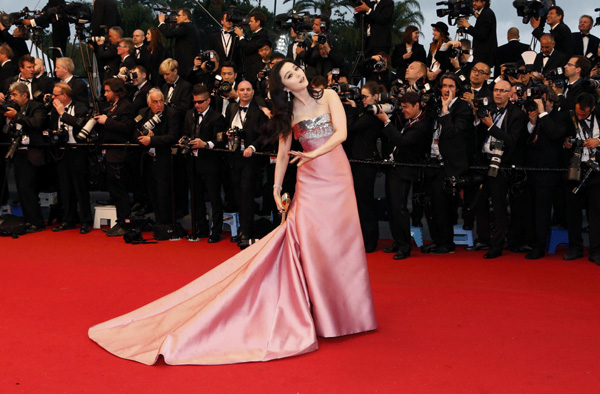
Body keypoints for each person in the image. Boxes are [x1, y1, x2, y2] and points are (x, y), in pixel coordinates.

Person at [88, 59, 377, 365]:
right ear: (284, 86)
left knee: (342, 243)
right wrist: (277, 189)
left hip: (336, 174)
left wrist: (312, 153)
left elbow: (342, 134)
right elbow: (281, 153)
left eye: (298, 70)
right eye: (290, 75)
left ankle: (350, 313)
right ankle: (323, 315)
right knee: (313, 244)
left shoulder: (328, 96)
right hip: (310, 181)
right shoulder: (288, 113)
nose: (299, 76)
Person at [49, 82, 92, 234]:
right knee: (65, 188)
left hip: (78, 151)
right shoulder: (54, 110)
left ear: (65, 95)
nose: (53, 97)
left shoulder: (80, 107)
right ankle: (68, 219)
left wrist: (63, 114)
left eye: (56, 95)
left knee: (80, 188)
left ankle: (86, 220)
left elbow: (81, 124)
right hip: (62, 152)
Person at [158, 8, 200, 79]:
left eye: (179, 15)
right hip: (189, 65)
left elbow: (168, 34)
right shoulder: (192, 27)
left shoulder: (186, 27)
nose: (176, 17)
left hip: (186, 67)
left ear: (185, 17)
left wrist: (161, 22)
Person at [457, 0, 497, 69]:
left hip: (484, 56)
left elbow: (481, 35)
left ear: (484, 2)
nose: (474, 3)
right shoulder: (484, 13)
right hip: (483, 56)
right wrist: (467, 30)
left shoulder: (486, 14)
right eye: (473, 1)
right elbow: (479, 32)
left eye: (476, 1)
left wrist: (468, 26)